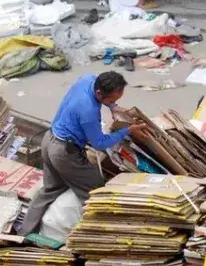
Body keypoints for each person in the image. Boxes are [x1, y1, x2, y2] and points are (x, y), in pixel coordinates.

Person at [19, 71, 148, 236]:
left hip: (49, 139)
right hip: (65, 153)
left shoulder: (88, 79)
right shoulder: (88, 111)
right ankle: (95, 237)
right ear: (99, 93)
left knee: (50, 190)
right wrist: (126, 131)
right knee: (96, 192)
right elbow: (99, 143)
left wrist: (113, 107)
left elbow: (101, 95)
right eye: (111, 100)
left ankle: (24, 234)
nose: (113, 103)